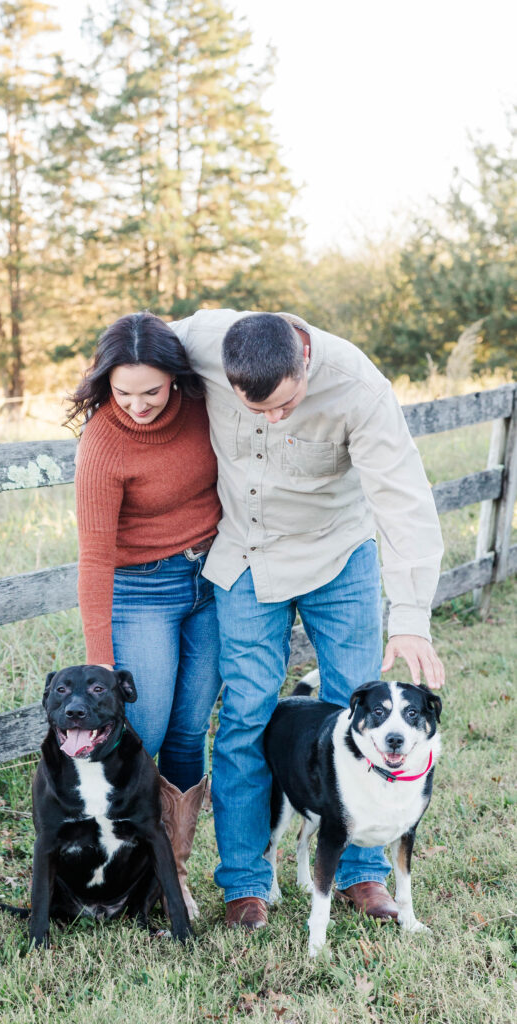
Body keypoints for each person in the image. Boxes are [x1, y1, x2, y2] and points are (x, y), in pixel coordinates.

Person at [168, 309, 445, 930]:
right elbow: (139, 348)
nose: (273, 419)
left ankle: (361, 873)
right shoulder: (204, 340)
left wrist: (409, 616)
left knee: (357, 718)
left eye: (286, 406)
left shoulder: (358, 387)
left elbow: (403, 501)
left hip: (336, 556)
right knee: (245, 720)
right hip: (245, 556)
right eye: (255, 409)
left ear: (304, 359)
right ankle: (245, 882)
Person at [69, 311, 222, 916]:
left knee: (190, 728)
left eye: (151, 391)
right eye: (121, 391)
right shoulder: (104, 442)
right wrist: (99, 661)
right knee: (145, 730)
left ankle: (171, 875)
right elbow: (94, 558)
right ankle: (110, 863)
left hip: (214, 577)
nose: (137, 405)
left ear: (176, 378)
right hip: (142, 589)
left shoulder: (207, 403)